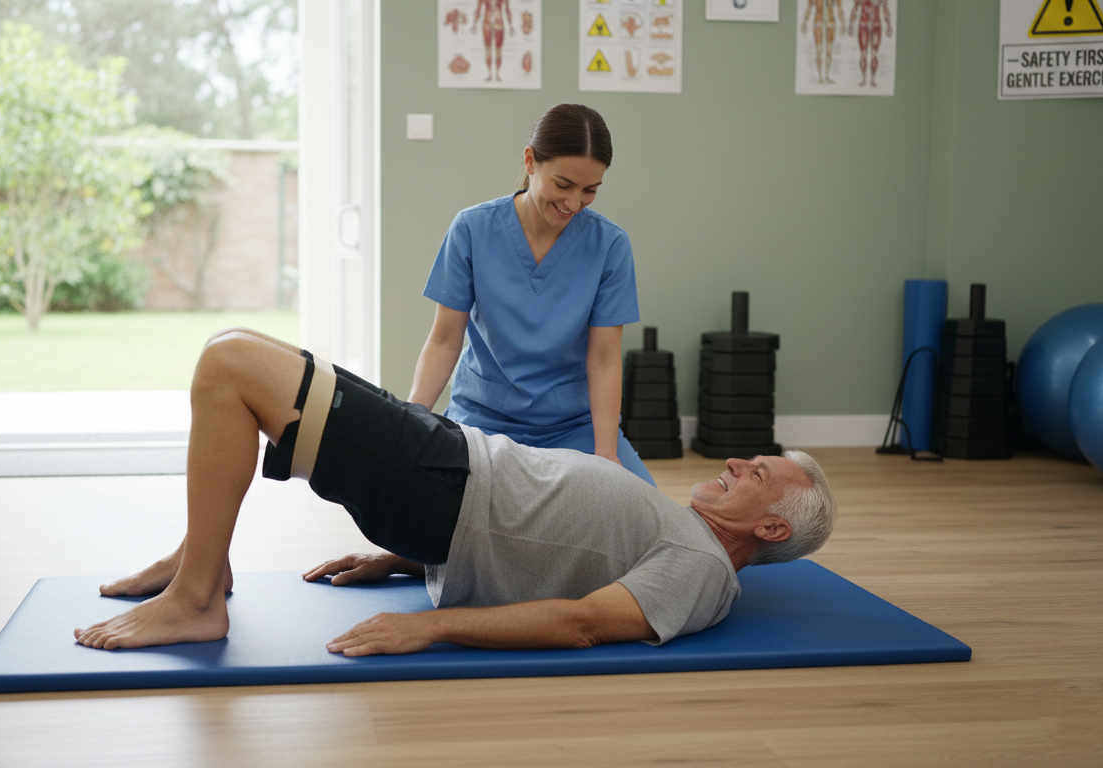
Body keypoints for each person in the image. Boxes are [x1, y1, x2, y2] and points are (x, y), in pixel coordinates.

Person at [73, 328, 838, 655]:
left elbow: (581, 622)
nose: (736, 462)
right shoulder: (683, 535)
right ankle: (199, 561)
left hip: (447, 485)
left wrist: (430, 628)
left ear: (772, 529)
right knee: (228, 352)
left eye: (758, 473)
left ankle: (197, 596)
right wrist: (406, 562)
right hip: (450, 468)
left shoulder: (702, 571)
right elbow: (563, 556)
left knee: (231, 367)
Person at [409, 103, 656, 486]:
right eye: (563, 185)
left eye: (590, 190)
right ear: (530, 161)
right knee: (432, 503)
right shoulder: (472, 229)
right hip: (483, 419)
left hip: (573, 425)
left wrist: (606, 455)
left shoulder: (610, 245)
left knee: (640, 509)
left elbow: (605, 359)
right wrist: (410, 423)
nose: (573, 203)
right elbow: (444, 340)